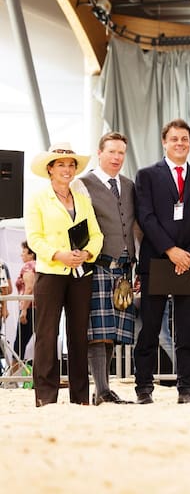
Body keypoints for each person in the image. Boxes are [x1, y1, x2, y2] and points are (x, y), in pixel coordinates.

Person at [134, 119, 190, 404]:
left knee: (185, 329)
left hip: (188, 264)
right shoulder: (146, 176)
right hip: (156, 260)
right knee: (150, 329)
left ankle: (187, 389)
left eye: (185, 139)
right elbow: (146, 217)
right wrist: (171, 250)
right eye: (174, 139)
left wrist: (188, 254)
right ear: (164, 142)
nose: (180, 143)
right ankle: (144, 388)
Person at [24, 143, 103, 406]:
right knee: (47, 333)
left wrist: (88, 253)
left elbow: (97, 234)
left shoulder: (81, 199)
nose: (67, 169)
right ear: (50, 169)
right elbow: (34, 238)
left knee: (79, 333)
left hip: (80, 271)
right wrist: (59, 255)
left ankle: (80, 396)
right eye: (61, 165)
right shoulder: (37, 199)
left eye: (71, 165)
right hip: (51, 272)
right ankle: (45, 395)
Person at [76, 131, 136, 405]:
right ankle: (101, 389)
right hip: (97, 264)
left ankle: (104, 389)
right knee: (97, 331)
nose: (116, 157)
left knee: (111, 332)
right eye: (111, 151)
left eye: (121, 152)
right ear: (99, 153)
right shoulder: (82, 184)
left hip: (124, 267)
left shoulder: (128, 184)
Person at [14, 241, 36, 366]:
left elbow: (29, 288)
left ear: (31, 254)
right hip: (38, 308)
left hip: (29, 308)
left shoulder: (28, 266)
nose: (21, 255)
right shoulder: (39, 266)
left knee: (19, 344)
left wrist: (24, 310)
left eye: (23, 252)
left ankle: (12, 377)